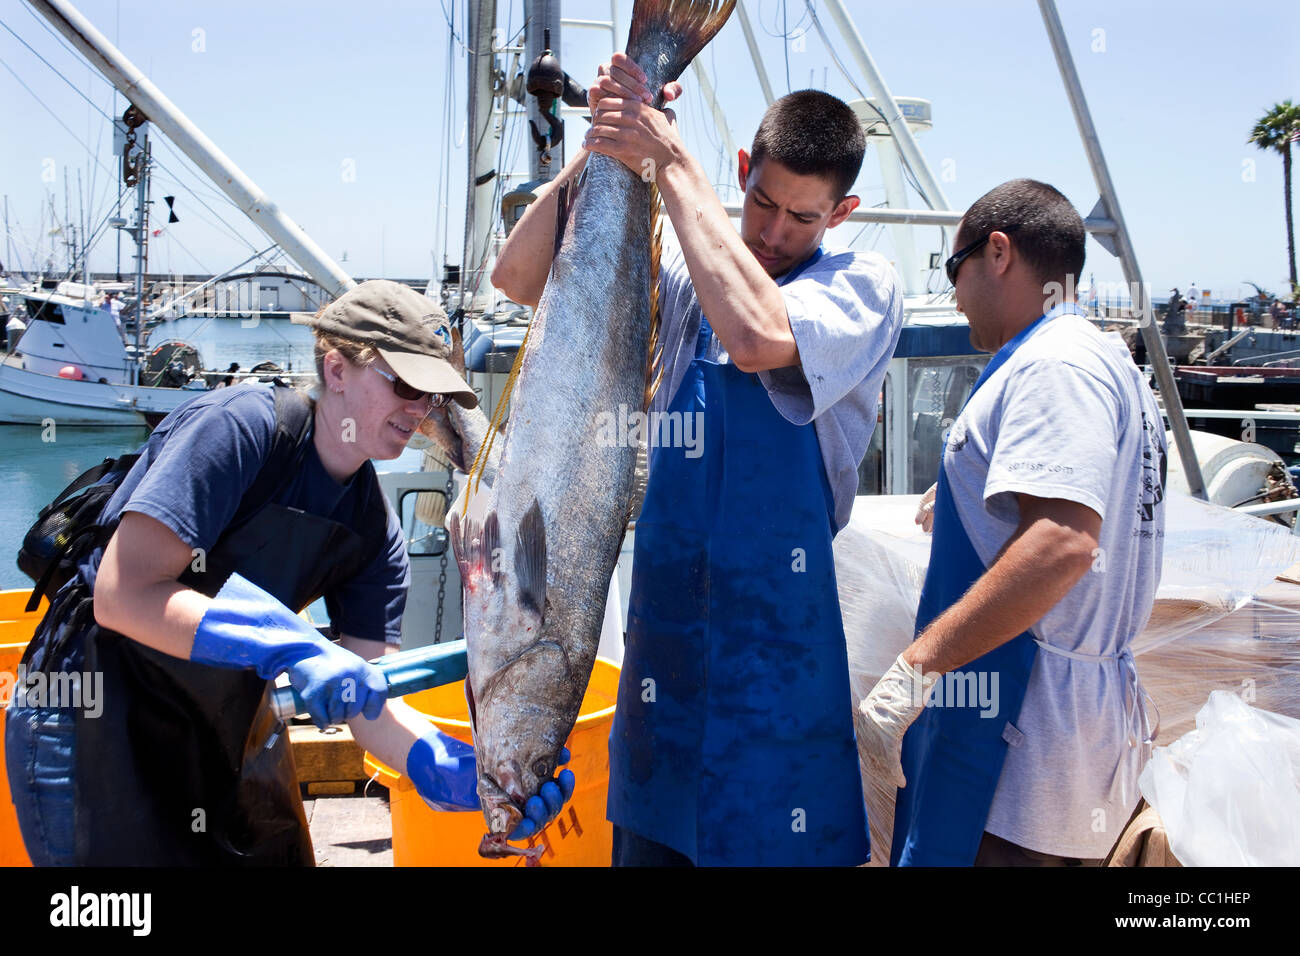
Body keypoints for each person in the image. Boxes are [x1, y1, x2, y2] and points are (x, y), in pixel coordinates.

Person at [492, 55, 903, 866]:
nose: (775, 233)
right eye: (761, 201)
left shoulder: (861, 285)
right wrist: (610, 136)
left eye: (803, 218)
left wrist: (673, 162)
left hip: (778, 684)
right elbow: (516, 275)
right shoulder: (684, 270)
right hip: (663, 674)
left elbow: (755, 338)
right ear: (743, 173)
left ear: (842, 213)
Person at [5, 279, 572, 866]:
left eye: (433, 397)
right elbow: (123, 594)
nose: (420, 409)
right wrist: (285, 644)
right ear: (336, 371)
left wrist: (452, 767)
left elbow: (367, 695)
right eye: (407, 384)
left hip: (220, 735)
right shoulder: (237, 430)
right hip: (95, 721)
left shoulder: (375, 535)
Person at [855, 179, 1166, 866]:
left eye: (952, 266)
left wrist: (915, 669)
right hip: (1058, 735)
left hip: (1019, 748)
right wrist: (972, 488)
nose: (954, 291)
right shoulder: (1104, 358)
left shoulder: (1055, 364)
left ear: (998, 253)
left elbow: (1062, 545)